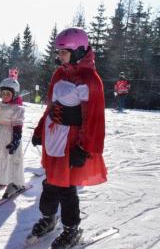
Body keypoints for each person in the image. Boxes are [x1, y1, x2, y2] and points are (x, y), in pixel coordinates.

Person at [29, 28, 107, 248]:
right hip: (54, 135)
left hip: (72, 140)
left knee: (66, 186)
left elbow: (93, 119)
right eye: (59, 51)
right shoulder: (59, 73)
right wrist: (38, 130)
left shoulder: (90, 79)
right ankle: (48, 218)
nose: (59, 56)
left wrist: (84, 148)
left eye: (64, 52)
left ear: (78, 51)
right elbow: (51, 106)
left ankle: (72, 229)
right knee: (50, 182)